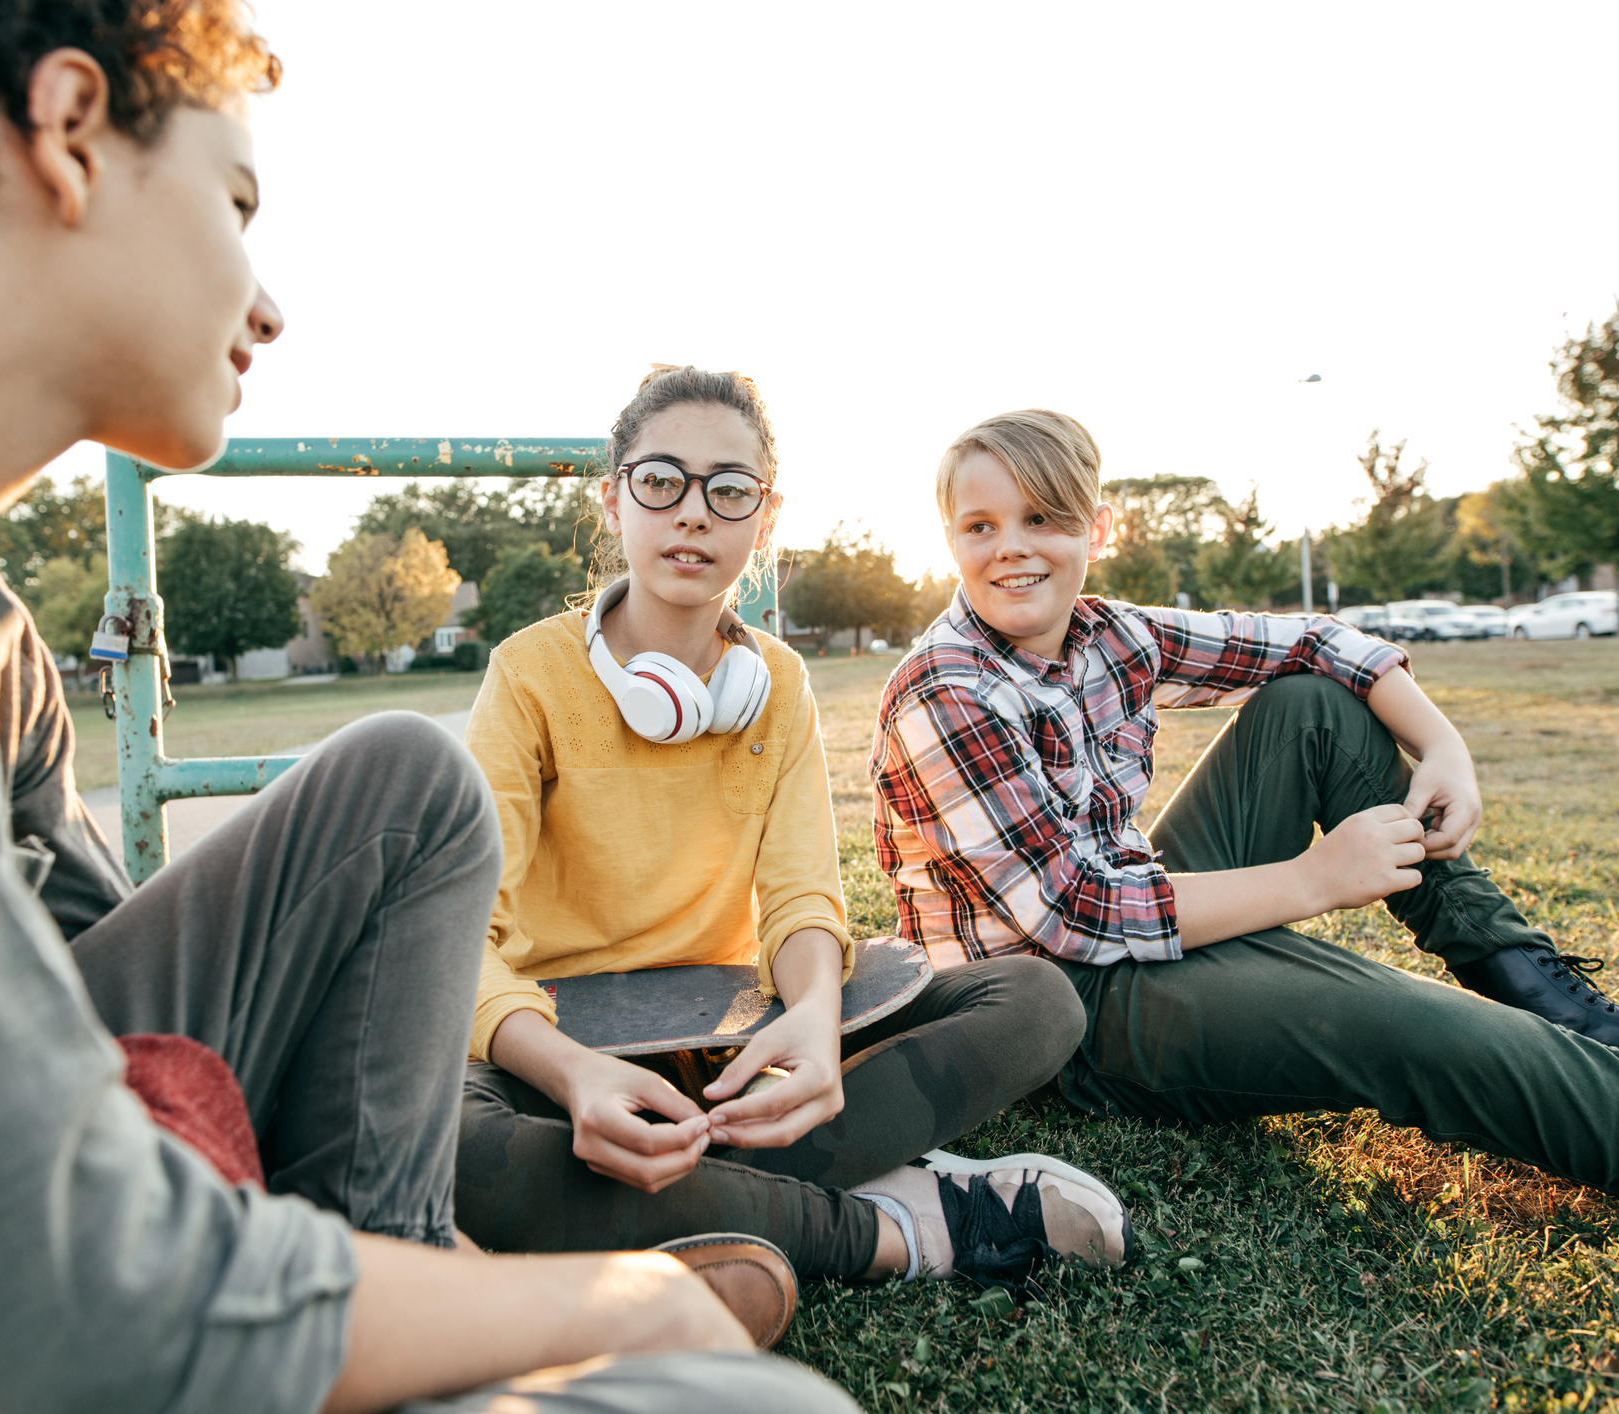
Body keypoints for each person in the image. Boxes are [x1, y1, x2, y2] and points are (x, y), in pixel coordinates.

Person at [0, 5, 862, 1413]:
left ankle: (408, 1268)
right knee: (767, 1405)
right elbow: (89, 1302)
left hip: (41, 1242)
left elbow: (136, 1075)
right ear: (68, 129)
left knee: (406, 785)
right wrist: (626, 1295)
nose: (266, 302)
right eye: (234, 201)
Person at [869, 408, 1619, 1225]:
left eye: (1043, 519)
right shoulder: (948, 689)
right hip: (1059, 1010)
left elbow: (1315, 642)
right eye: (979, 527)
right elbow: (1075, 915)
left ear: (1096, 530)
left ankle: (1564, 1009)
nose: (1010, 550)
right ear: (949, 540)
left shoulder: (1111, 635)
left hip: (1135, 910)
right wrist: (1313, 881)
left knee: (1313, 707)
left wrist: (1444, 747)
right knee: (1409, 1028)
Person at [453, 367, 1135, 1288]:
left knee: (1036, 1002)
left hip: (730, 1045)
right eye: (661, 482)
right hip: (555, 1051)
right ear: (614, 501)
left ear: (763, 522)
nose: (692, 514)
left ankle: (647, 1209)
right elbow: (466, 940)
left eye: (728, 491)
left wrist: (814, 1020)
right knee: (452, 1148)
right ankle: (893, 1226)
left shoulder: (776, 683)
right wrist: (574, 1076)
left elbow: (802, 898)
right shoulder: (527, 673)